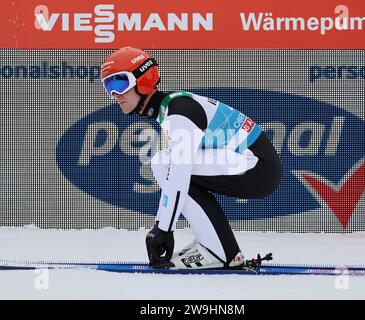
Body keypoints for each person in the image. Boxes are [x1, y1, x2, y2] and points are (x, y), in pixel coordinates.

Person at [100, 47, 282, 269]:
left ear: (143, 79)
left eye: (119, 84)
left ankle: (219, 251)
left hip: (258, 167)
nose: (115, 95)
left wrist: (163, 229)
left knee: (165, 163)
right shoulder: (172, 108)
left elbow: (179, 174)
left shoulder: (179, 111)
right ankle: (217, 247)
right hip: (252, 164)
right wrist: (163, 226)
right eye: (109, 87)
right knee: (164, 162)